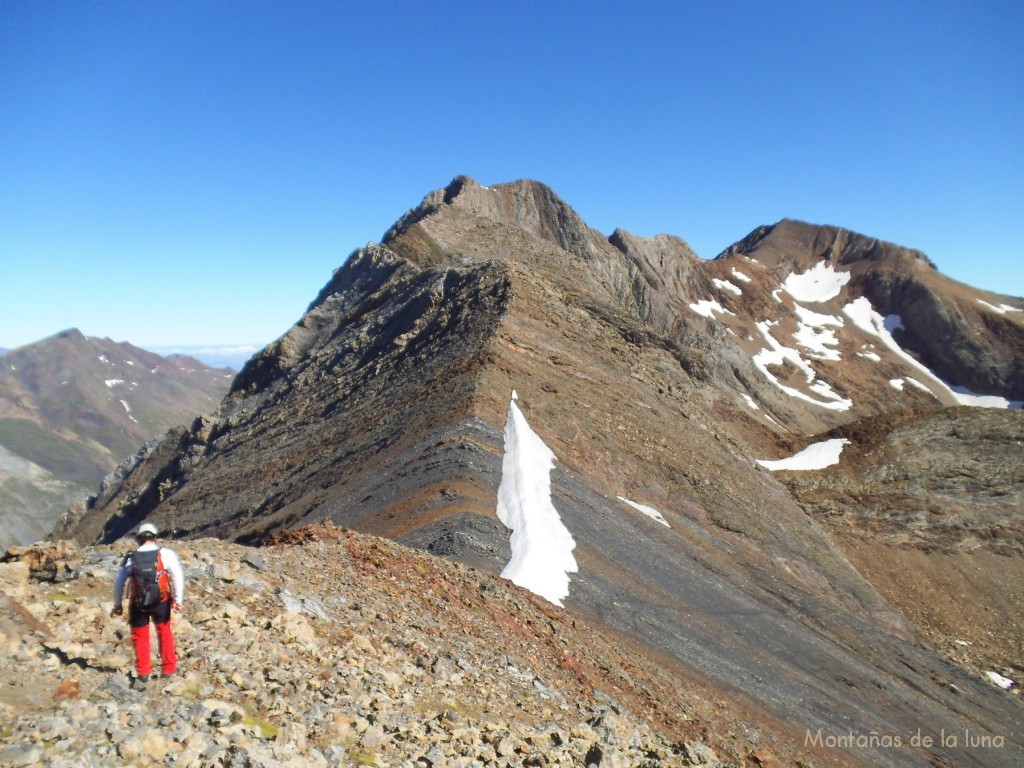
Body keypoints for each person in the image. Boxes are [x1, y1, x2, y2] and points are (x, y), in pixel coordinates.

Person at [112, 522, 184, 688]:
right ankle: (168, 669)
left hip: (138, 603)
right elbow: (177, 576)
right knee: (164, 632)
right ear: (155, 537)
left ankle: (143, 673)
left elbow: (119, 583)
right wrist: (178, 600)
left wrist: (117, 603)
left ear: (139, 539)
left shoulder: (132, 557)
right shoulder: (165, 554)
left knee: (140, 636)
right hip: (161, 600)